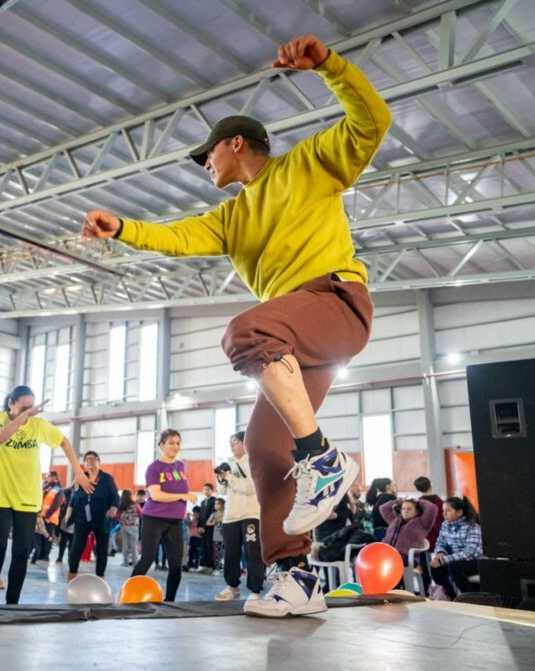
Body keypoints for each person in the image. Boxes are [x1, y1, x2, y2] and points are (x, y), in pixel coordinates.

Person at [82, 34, 390, 618]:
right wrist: (122, 228)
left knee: (244, 332)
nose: (205, 164)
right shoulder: (231, 216)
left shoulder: (308, 165)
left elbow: (373, 121)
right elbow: (177, 237)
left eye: (209, 154)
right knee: (264, 447)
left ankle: (323, 459)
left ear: (236, 143)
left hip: (335, 301)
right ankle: (296, 576)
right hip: (293, 336)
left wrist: (330, 66)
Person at [0, 385, 92, 605]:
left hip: (27, 496)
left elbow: (63, 441)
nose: (30, 412)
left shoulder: (39, 425)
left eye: (32, 408)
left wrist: (78, 471)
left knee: (22, 551)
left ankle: (12, 602)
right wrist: (23, 417)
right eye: (24, 408)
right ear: (10, 403)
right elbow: (0, 438)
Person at [130, 430, 198, 602]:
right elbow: (156, 495)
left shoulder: (180, 466)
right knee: (147, 559)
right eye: (171, 443)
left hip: (175, 521)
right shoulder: (154, 468)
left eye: (178, 443)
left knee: (176, 565)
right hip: (154, 518)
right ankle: (129, 596)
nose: (176, 446)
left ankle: (170, 602)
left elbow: (178, 489)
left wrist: (184, 503)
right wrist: (183, 496)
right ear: (161, 445)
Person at [215, 432, 265, 601]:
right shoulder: (229, 463)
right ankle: (232, 586)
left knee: (253, 553)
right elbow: (222, 491)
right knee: (230, 554)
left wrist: (229, 477)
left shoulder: (254, 461)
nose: (232, 445)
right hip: (231, 516)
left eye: (235, 442)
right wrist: (221, 478)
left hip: (250, 514)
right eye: (230, 442)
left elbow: (249, 487)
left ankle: (255, 590)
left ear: (245, 443)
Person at [65, 451, 119, 581]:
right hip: (82, 517)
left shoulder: (107, 478)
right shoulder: (81, 477)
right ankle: (72, 574)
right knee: (77, 546)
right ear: (84, 463)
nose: (90, 461)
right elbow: (74, 498)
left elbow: (115, 496)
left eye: (93, 459)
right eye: (87, 459)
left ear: (98, 461)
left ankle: (100, 577)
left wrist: (113, 507)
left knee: (102, 549)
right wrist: (69, 512)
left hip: (102, 518)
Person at [431, 497, 483, 600]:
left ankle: (472, 598)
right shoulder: (445, 525)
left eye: (448, 511)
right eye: (443, 511)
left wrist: (444, 560)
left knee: (454, 566)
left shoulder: (472, 526)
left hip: (476, 561)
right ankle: (452, 596)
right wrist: (441, 553)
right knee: (435, 567)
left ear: (459, 512)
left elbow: (470, 552)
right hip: (456, 561)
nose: (444, 514)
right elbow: (440, 542)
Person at [32, 471, 64, 564]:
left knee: (47, 536)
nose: (47, 478)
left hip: (50, 518)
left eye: (49, 476)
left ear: (54, 477)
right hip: (41, 516)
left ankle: (45, 556)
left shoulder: (58, 489)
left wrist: (47, 516)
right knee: (40, 536)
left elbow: (56, 505)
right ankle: (39, 555)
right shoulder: (45, 486)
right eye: (47, 476)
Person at [414, 476, 444, 551]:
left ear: (417, 489)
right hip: (441, 537)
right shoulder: (442, 503)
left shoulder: (417, 505)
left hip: (425, 539)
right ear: (430, 485)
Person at [193, 483, 217, 573]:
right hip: (202, 529)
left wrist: (205, 527)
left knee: (209, 547)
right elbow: (201, 516)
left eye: (208, 489)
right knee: (204, 547)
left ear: (212, 491)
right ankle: (204, 565)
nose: (206, 491)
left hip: (210, 528)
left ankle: (211, 566)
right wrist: (199, 526)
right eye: (204, 489)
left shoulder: (214, 501)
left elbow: (212, 515)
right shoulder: (202, 502)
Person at [366, 478, 397, 542]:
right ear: (387, 486)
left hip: (377, 530)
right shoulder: (391, 498)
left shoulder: (378, 497)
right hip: (386, 530)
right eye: (393, 484)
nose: (395, 486)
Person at [116, 489, 140, 567]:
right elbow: (141, 513)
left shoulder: (120, 505)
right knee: (134, 545)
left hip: (124, 526)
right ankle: (134, 562)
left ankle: (125, 562)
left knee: (125, 544)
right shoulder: (135, 504)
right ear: (130, 495)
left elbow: (117, 516)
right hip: (133, 526)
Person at [207, 498, 226, 573]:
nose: (216, 505)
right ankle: (217, 568)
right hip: (216, 536)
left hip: (225, 536)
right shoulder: (214, 514)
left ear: (222, 505)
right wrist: (213, 523)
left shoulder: (226, 513)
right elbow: (207, 523)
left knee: (224, 552)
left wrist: (222, 520)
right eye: (215, 504)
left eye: (218, 504)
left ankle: (224, 567)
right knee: (217, 553)